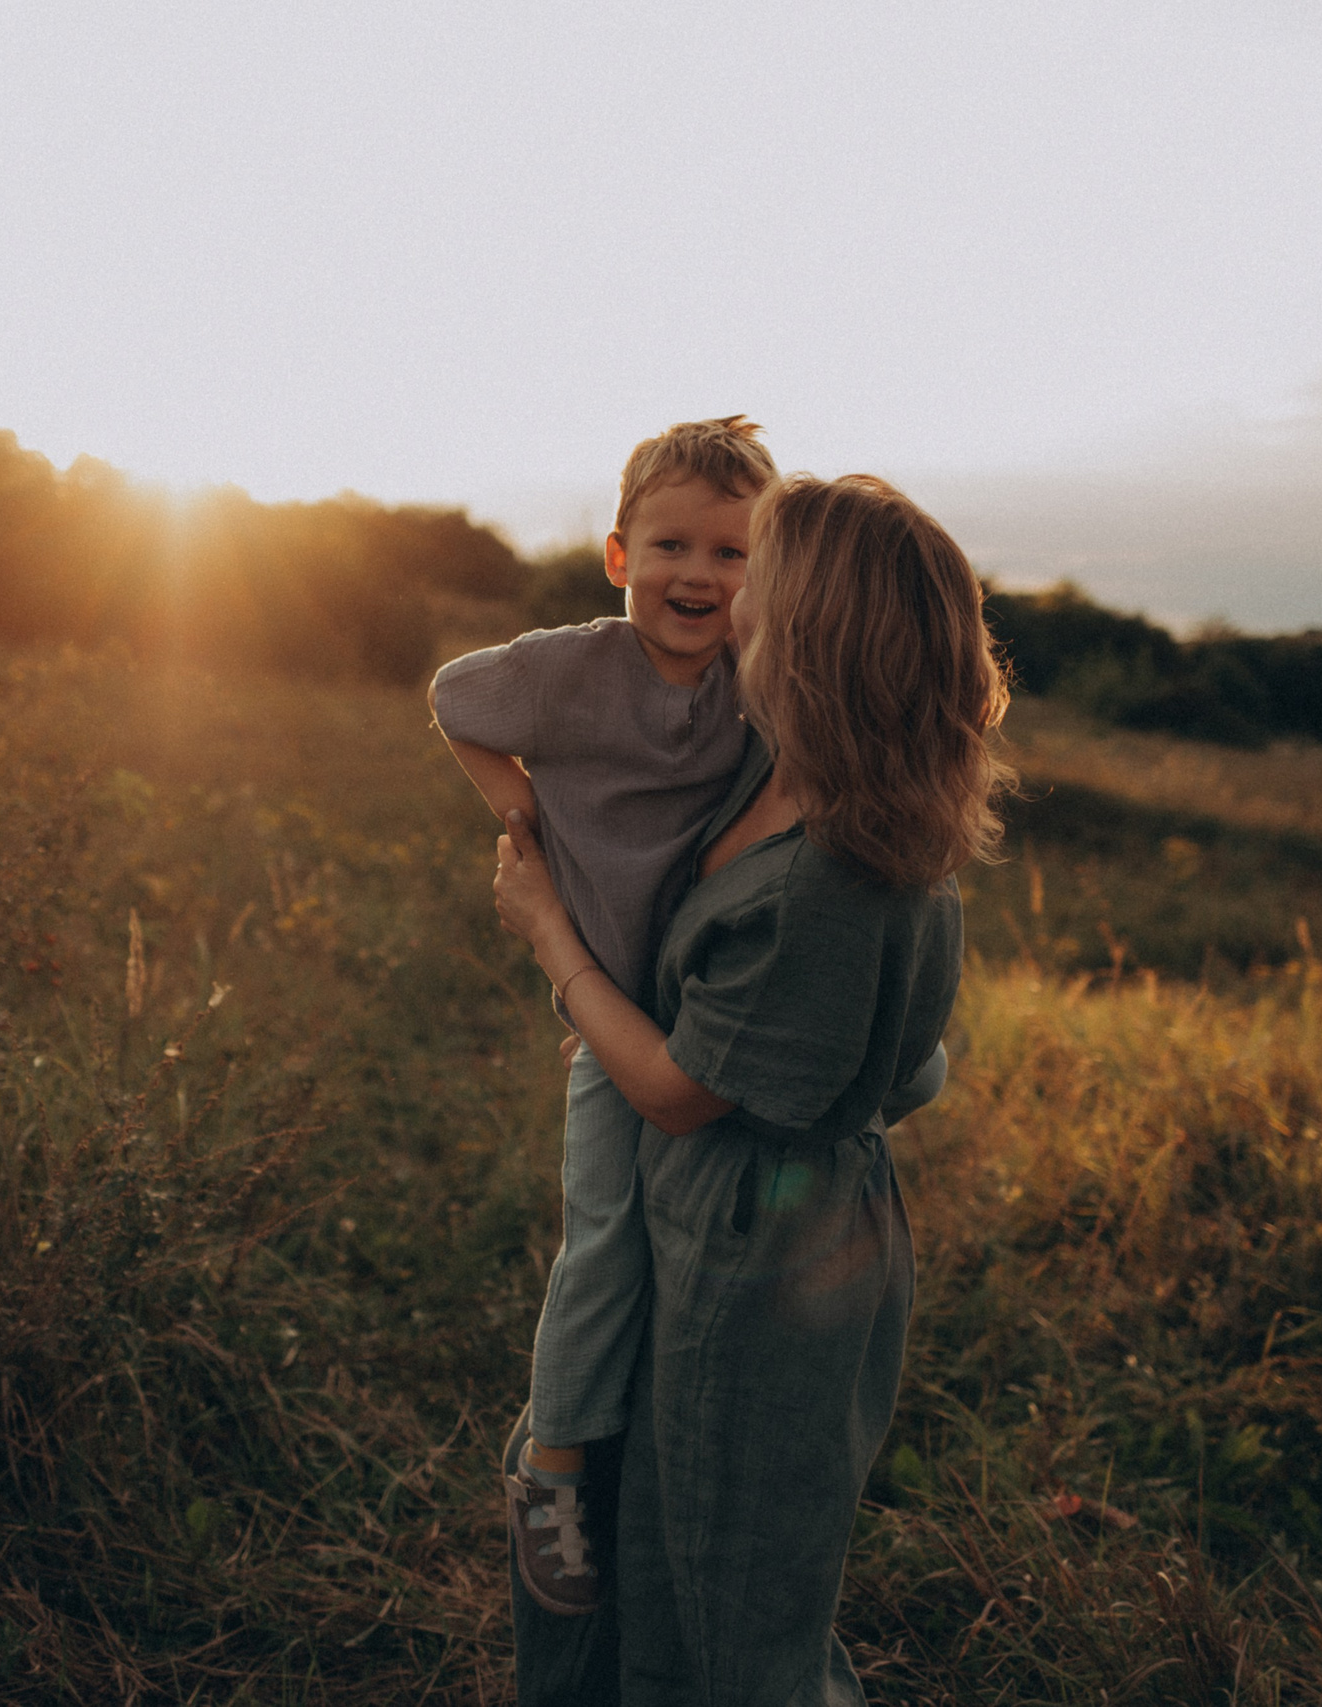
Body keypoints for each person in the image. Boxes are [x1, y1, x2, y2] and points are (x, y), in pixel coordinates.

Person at [491, 474, 1010, 1705]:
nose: (727, 595)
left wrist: (550, 940)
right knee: (644, 1551)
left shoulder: (837, 866)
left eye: (756, 576)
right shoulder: (765, 762)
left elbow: (679, 1093)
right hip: (698, 1220)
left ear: (814, 627)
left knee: (727, 1611)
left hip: (767, 1260)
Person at [430, 416, 778, 1614]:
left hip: (714, 1005)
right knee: (608, 1238)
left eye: (732, 555)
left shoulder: (760, 677)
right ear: (620, 554)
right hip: (612, 1011)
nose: (701, 576)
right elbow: (452, 698)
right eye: (672, 545)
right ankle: (556, 1463)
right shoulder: (571, 669)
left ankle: (669, 1459)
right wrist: (523, 823)